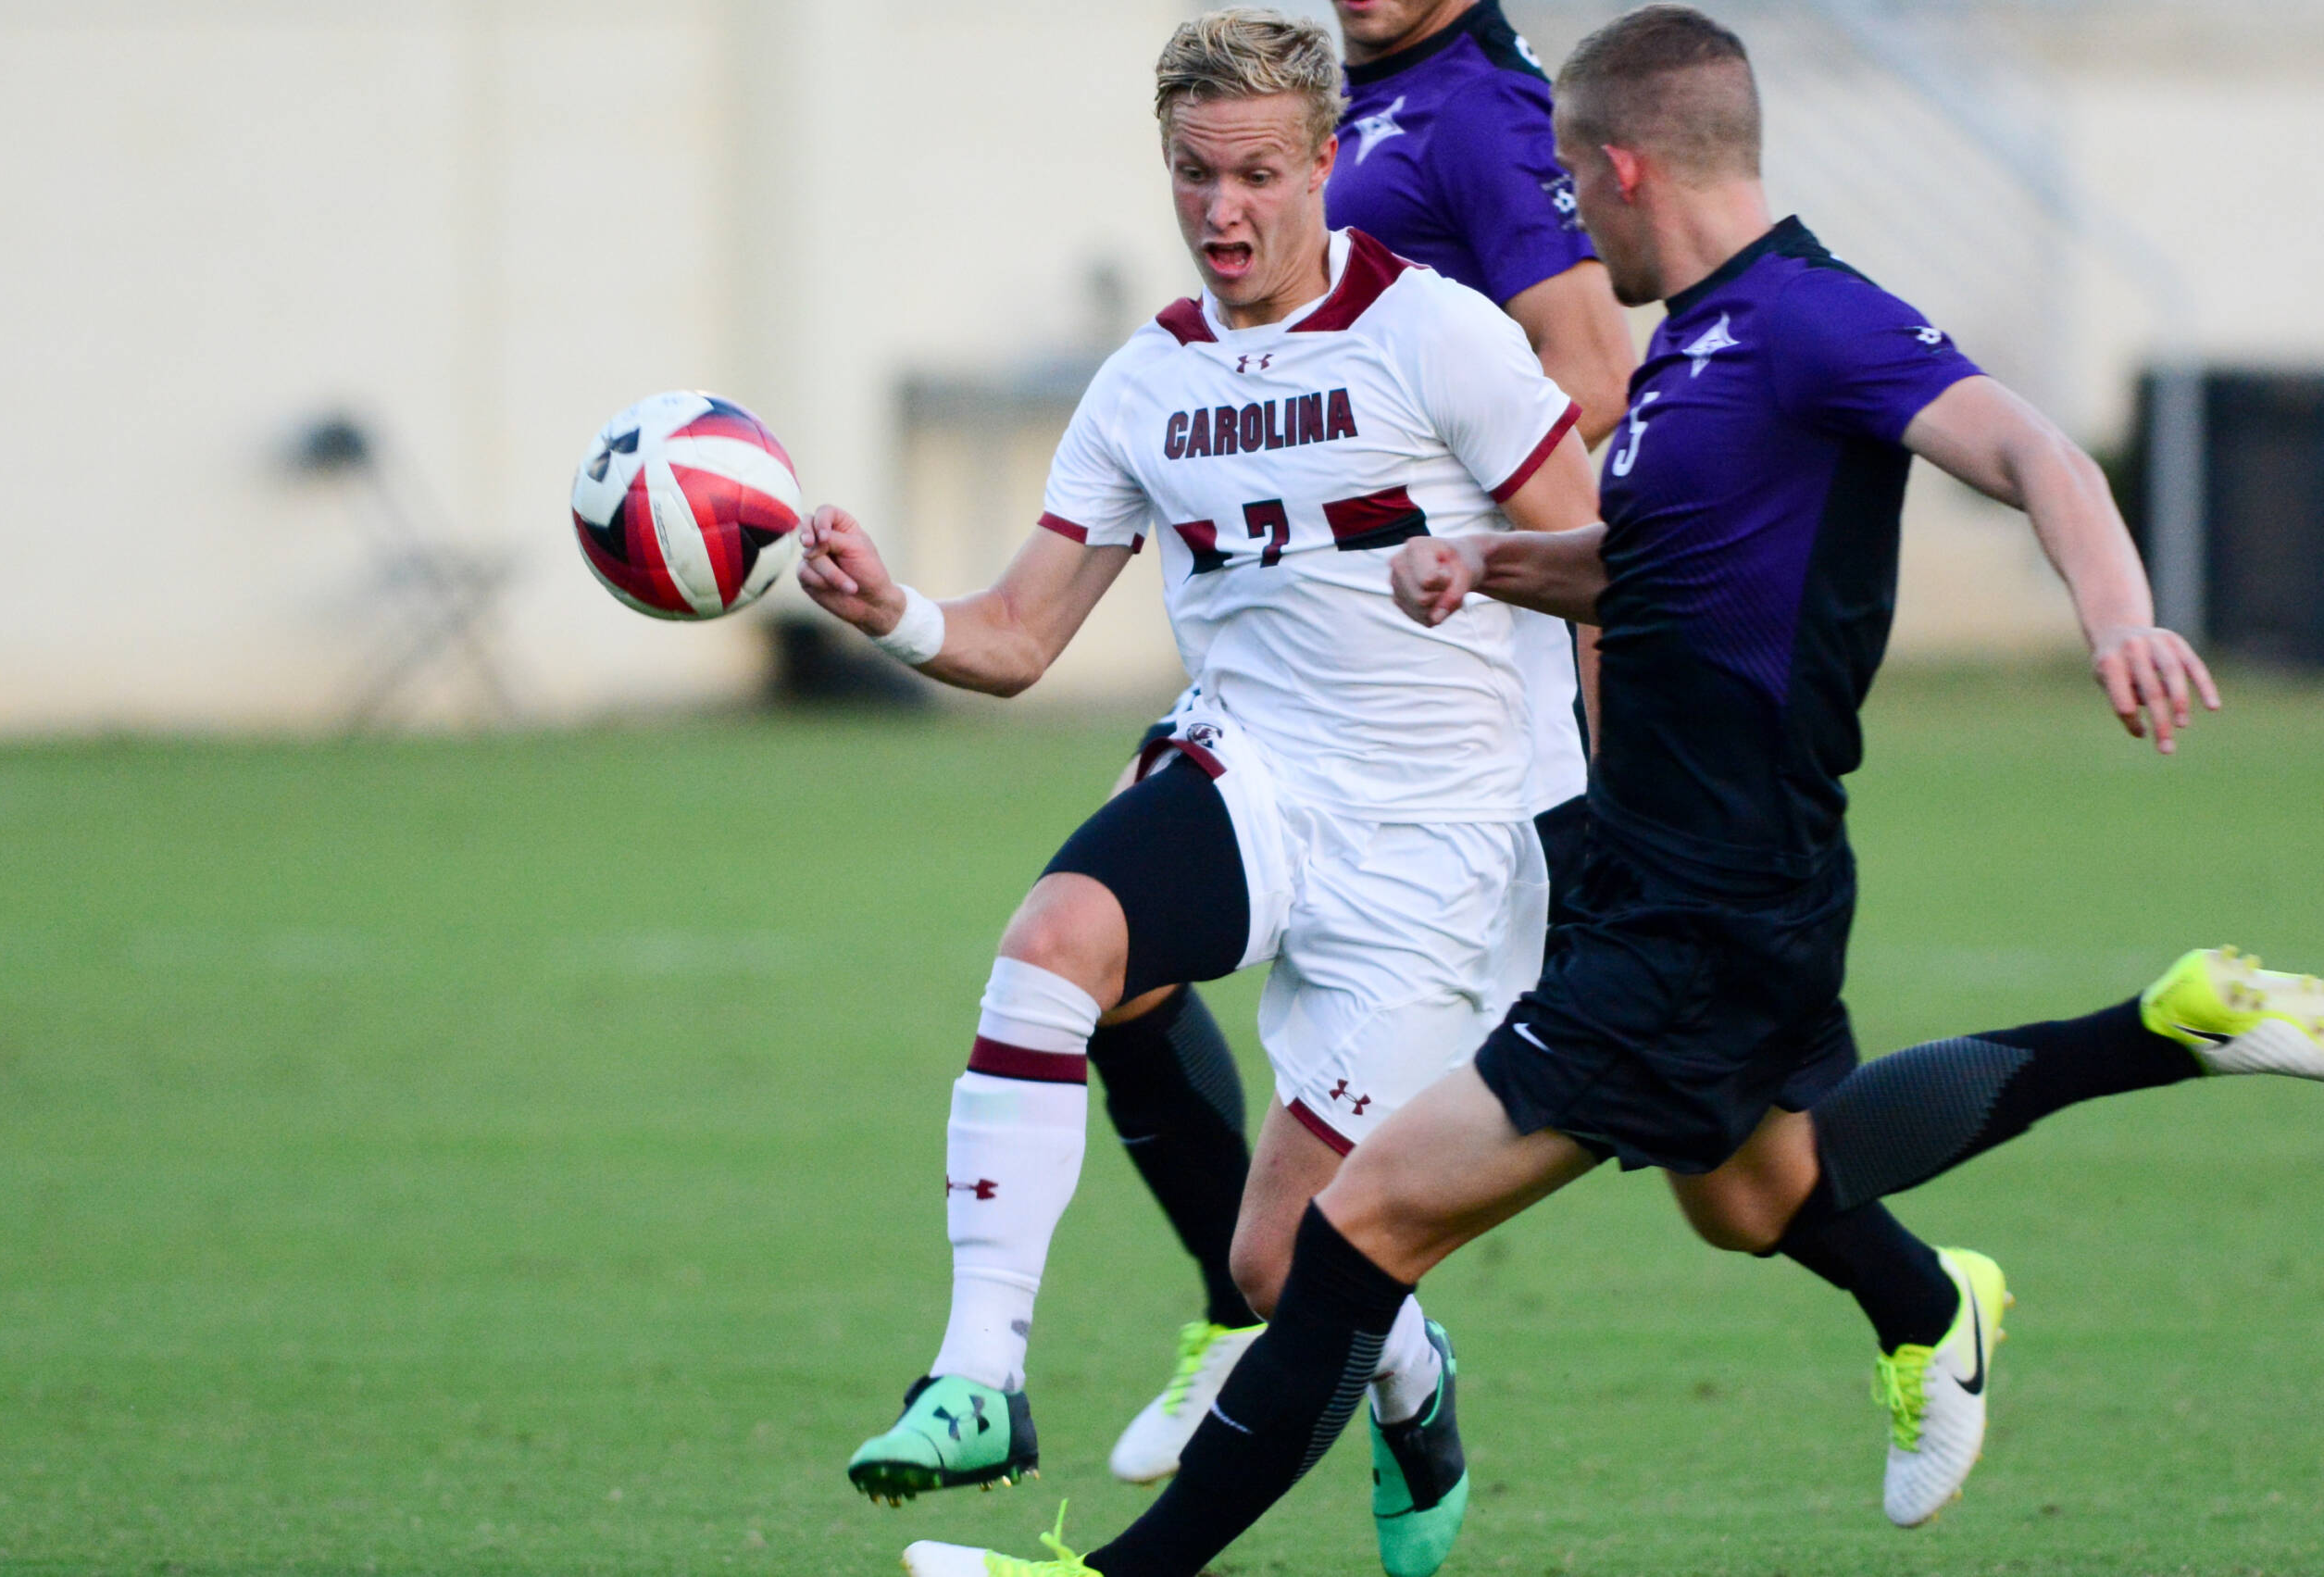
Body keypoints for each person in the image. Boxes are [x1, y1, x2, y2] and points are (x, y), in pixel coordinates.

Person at [900, 8, 2324, 1575]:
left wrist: (2118, 614)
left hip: (1712, 892)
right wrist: (1487, 560)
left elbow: (2038, 448)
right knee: (1758, 1194)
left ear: (1625, 164)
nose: (1558, 214)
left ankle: (1113, 1572)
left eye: (1572, 182)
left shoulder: (1810, 323)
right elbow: (1639, 567)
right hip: (1679, 876)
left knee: (1354, 1231)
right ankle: (2163, 1040)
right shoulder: (1689, 350)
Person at [811, 12, 1595, 1574]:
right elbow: (1019, 635)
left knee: (1271, 1257)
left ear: (1324, 166)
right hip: (1258, 776)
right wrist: (892, 607)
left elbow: (1607, 558)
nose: (1222, 210)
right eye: (1192, 174)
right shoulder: (1145, 380)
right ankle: (978, 1375)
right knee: (1057, 942)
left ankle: (1416, 1378)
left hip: (1445, 841)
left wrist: (1619, 800)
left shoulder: (1437, 335)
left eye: (1254, 173)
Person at [1091, 0, 1635, 1492]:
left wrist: (1436, 496)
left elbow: (1583, 380)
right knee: (1098, 945)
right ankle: (1245, 1301)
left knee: (1737, 1147)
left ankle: (1923, 1283)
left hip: (1441, 684)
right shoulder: (1358, 85)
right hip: (1296, 676)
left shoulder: (1479, 112)